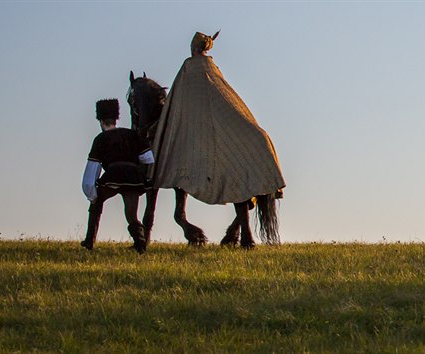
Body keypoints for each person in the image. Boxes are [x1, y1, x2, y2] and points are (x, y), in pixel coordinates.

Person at [150, 31, 285, 207]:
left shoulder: (189, 68)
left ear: (194, 49)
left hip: (197, 128)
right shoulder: (214, 70)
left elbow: (178, 101)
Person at [81, 98, 154, 253]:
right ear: (115, 119)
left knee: (96, 203)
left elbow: (93, 168)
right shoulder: (133, 135)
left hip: (113, 177)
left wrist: (90, 192)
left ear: (101, 121)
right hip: (133, 179)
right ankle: (140, 244)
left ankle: (89, 242)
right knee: (131, 215)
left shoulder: (101, 139)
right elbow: (148, 158)